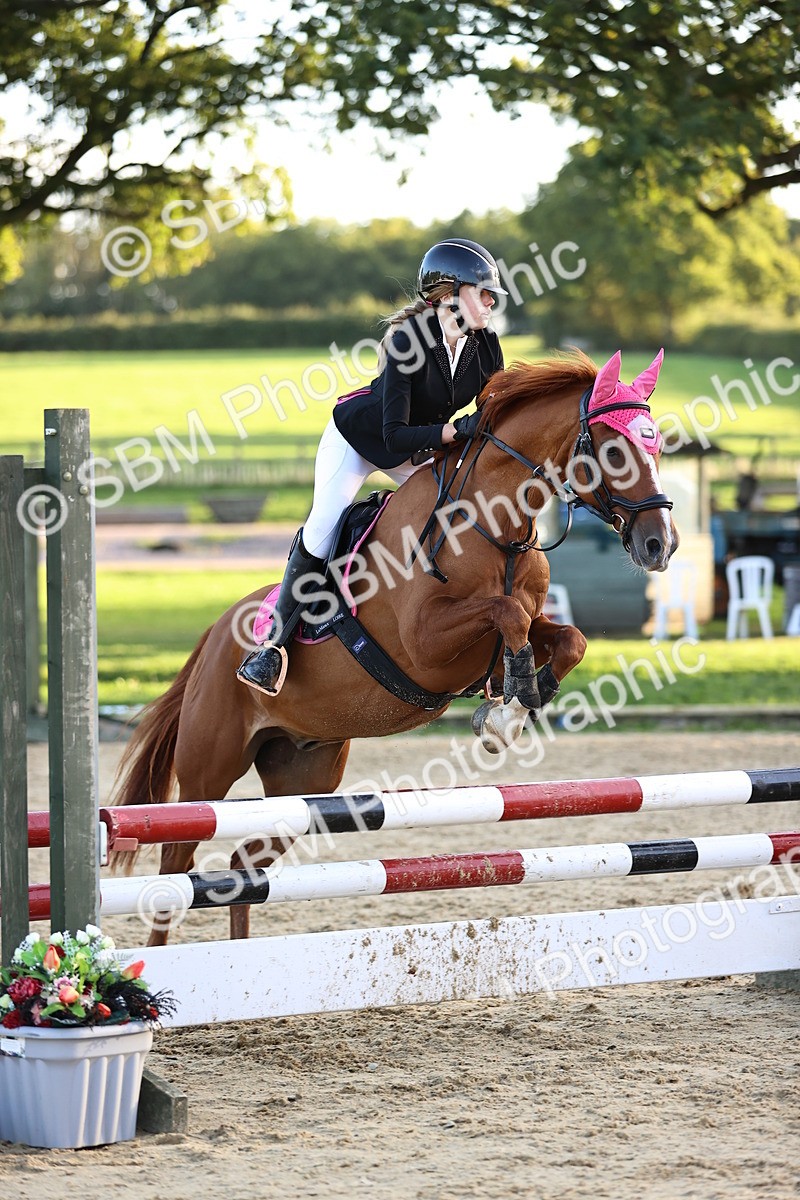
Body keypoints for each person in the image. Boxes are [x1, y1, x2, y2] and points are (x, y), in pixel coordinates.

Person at [237, 237, 507, 696]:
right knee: (325, 522)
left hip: (419, 447)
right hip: (360, 440)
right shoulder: (408, 340)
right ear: (448, 295)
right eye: (480, 291)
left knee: (457, 508)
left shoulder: (486, 347)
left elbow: (494, 408)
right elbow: (393, 438)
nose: (489, 301)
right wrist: (453, 432)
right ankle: (272, 647)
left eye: (490, 293)